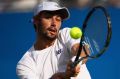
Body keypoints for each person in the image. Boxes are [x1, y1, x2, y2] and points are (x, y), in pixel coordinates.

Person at [16, 1, 91, 79]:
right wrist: (65, 76)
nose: (54, 23)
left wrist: (77, 61)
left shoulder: (66, 33)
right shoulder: (25, 64)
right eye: (48, 17)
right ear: (36, 21)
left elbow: (80, 49)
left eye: (58, 19)